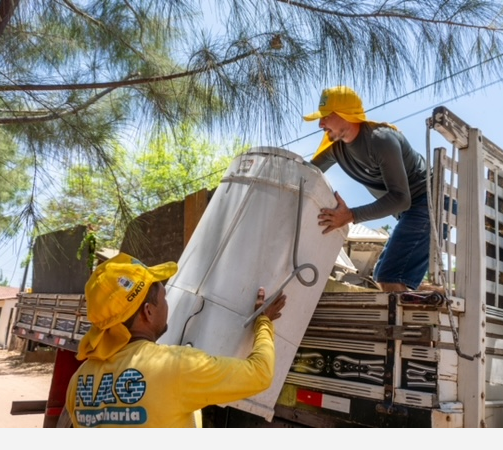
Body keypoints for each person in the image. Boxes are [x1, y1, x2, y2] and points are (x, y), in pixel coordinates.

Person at [65, 252, 286, 428]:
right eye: (164, 298)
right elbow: (260, 374)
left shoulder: (78, 380)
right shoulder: (176, 367)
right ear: (148, 312)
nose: (167, 305)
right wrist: (263, 322)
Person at [303, 85, 430, 292]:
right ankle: (438, 299)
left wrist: (350, 215)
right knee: (387, 276)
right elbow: (306, 174)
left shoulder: (380, 139)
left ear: (346, 115)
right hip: (411, 212)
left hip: (429, 203)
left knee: (389, 276)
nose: (320, 123)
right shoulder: (335, 148)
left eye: (326, 116)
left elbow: (400, 198)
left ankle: (410, 322)